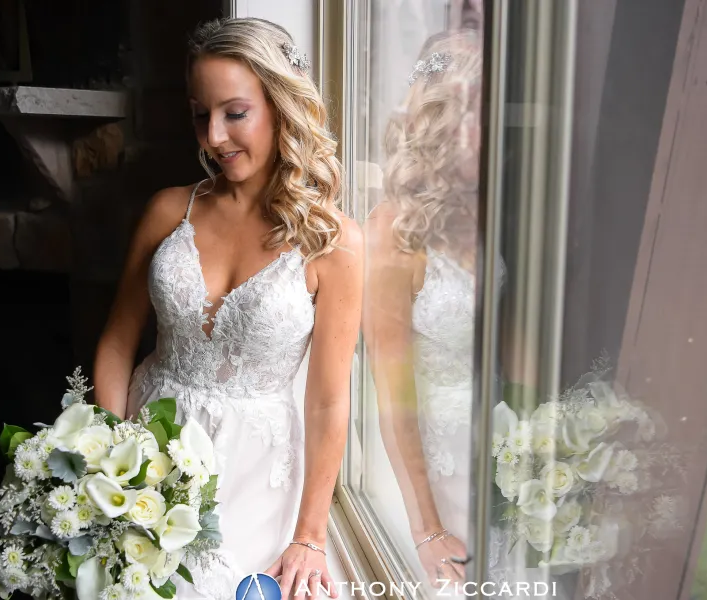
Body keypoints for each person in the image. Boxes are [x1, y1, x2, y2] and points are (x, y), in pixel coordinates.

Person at [93, 17, 362, 600]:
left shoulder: (332, 242)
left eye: (234, 113)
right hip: (148, 447)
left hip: (256, 476)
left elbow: (329, 398)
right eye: (200, 113)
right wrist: (108, 455)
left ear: (280, 106)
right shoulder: (169, 210)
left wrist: (310, 535)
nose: (213, 136)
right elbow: (118, 340)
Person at [363, 29, 484, 589]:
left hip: (498, 457)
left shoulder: (495, 216)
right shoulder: (393, 230)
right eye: (470, 115)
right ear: (440, 122)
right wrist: (429, 530)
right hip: (436, 473)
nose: (485, 135)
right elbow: (393, 399)